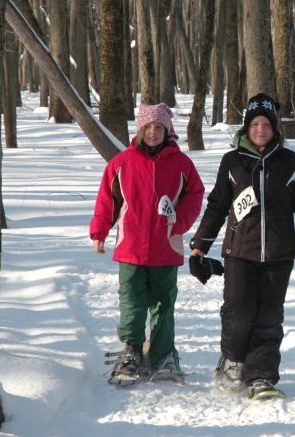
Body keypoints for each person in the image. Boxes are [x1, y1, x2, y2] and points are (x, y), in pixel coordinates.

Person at [189, 93, 295, 401]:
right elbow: (216, 207)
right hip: (239, 253)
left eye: (266, 124)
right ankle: (234, 360)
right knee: (238, 312)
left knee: (268, 317)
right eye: (255, 124)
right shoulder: (232, 162)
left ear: (275, 128)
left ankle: (261, 376)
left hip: (279, 255)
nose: (261, 129)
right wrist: (200, 246)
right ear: (246, 128)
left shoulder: (292, 163)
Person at [90, 103, 205, 385]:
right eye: (148, 127)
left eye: (159, 127)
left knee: (164, 303)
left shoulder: (182, 165)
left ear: (167, 131)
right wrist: (100, 230)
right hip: (130, 247)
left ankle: (163, 352)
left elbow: (195, 196)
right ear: (139, 130)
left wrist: (178, 223)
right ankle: (131, 350)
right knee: (131, 301)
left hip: (167, 246)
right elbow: (108, 201)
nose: (153, 133)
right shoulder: (121, 163)